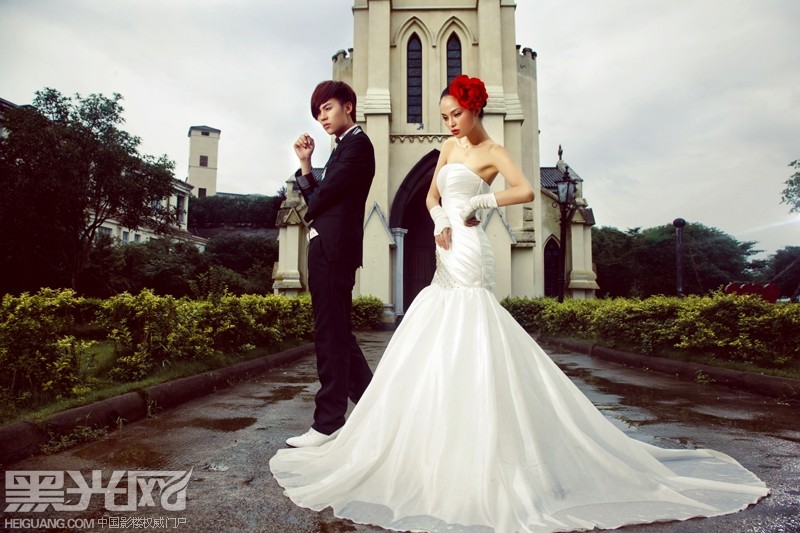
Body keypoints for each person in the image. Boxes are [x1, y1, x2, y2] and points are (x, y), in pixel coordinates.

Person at [270, 75, 768, 532]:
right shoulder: (446, 147)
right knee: (435, 329)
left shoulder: (492, 150)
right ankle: (423, 429)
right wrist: (440, 219)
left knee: (473, 325)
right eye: (444, 115)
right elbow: (430, 197)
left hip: (472, 246)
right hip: (448, 244)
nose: (449, 123)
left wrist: (480, 203)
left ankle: (488, 441)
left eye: (456, 114)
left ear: (475, 110)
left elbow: (525, 189)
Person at [286, 80, 375, 448]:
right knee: (337, 334)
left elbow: (318, 200)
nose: (322, 117)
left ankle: (328, 423)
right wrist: (306, 164)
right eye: (317, 113)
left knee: (330, 335)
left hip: (334, 251)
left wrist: (312, 181)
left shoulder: (357, 146)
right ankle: (375, 409)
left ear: (348, 106)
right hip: (328, 249)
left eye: (327, 108)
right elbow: (318, 198)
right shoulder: (342, 148)